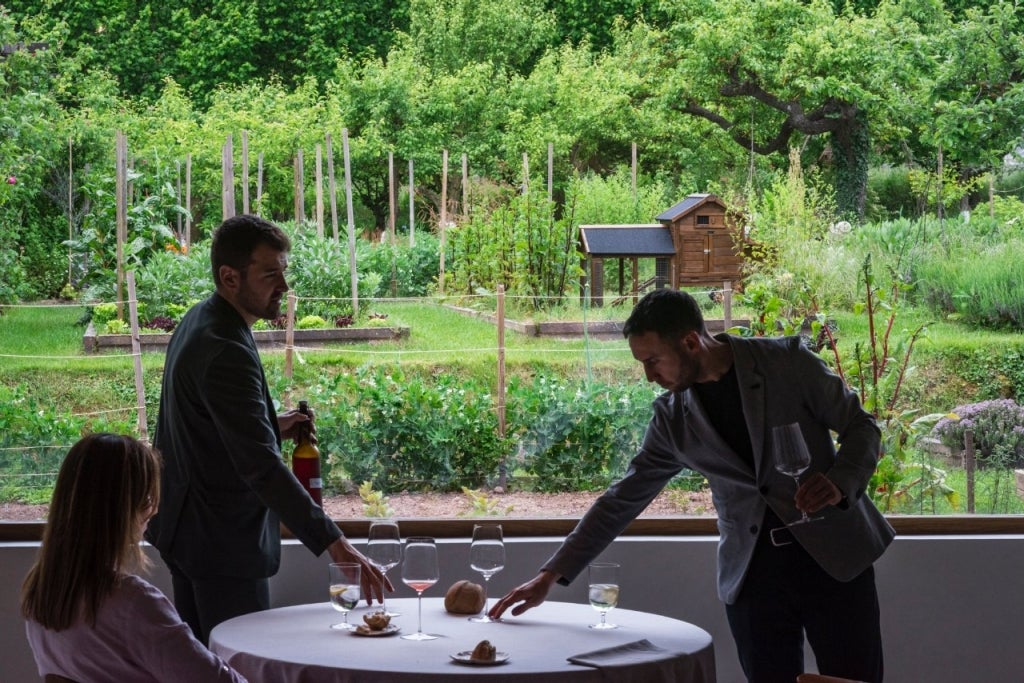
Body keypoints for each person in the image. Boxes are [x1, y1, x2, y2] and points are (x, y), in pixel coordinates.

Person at [490, 288, 894, 683]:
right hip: (752, 578)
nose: (649, 376)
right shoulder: (672, 420)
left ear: (689, 341)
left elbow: (862, 426)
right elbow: (622, 498)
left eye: (653, 361)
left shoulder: (786, 361)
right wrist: (550, 574)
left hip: (835, 560)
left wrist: (839, 483)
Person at [145, 214, 387, 645]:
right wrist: (336, 543)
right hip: (221, 546)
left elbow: (206, 426)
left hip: (188, 534)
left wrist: (270, 425)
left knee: (205, 664)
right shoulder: (225, 348)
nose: (284, 286)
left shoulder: (202, 318)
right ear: (230, 277)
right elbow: (260, 466)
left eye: (284, 272)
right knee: (238, 664)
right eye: (270, 274)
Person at [22, 433, 247, 682]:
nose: (155, 510)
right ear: (124, 509)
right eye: (148, 499)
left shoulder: (40, 590)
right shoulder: (133, 602)